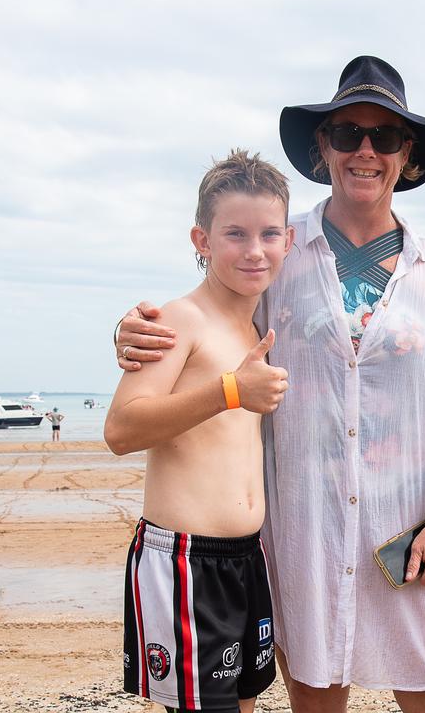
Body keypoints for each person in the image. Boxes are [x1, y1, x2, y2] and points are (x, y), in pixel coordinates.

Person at [115, 56, 425, 712]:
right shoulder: (282, 251)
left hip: (408, 526)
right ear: (323, 146)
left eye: (385, 136)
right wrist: (129, 331)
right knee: (315, 691)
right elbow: (210, 318)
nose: (365, 150)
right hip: (300, 532)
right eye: (347, 133)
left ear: (408, 154)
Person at [104, 149, 293, 713]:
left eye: (269, 234)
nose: (255, 250)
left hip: (245, 555)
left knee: (245, 703)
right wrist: (230, 392)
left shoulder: (254, 321)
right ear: (201, 240)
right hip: (183, 558)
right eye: (235, 233)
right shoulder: (181, 317)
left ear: (287, 240)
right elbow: (121, 428)